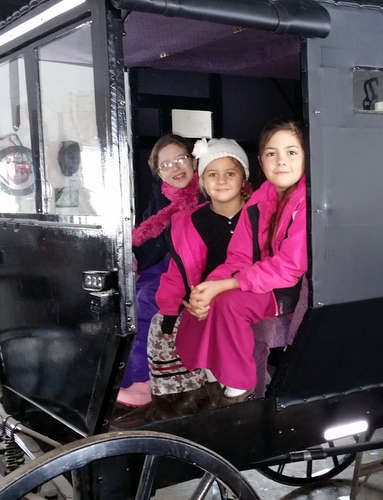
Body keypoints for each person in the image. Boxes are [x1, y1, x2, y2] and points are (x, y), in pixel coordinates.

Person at [176, 119, 308, 406]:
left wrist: (228, 285)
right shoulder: (261, 198)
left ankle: (239, 387)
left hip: (291, 289)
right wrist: (208, 287)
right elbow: (238, 256)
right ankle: (214, 373)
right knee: (199, 299)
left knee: (228, 304)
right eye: (272, 154)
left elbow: (289, 267)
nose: (281, 161)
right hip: (262, 279)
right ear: (260, 160)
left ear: (306, 156)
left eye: (292, 153)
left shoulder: (307, 200)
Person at [146, 137, 250, 420]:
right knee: (161, 323)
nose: (222, 181)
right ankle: (180, 394)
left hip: (242, 288)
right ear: (202, 181)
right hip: (200, 291)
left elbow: (248, 262)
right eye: (212, 175)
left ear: (244, 178)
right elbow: (178, 271)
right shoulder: (188, 221)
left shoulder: (257, 214)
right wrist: (170, 309)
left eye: (230, 173)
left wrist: (208, 292)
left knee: (216, 309)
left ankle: (222, 385)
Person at [119, 133, 200, 407]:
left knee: (146, 298)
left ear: (193, 160)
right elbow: (149, 236)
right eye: (165, 165)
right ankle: (123, 377)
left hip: (194, 265)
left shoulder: (209, 187)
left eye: (180, 159)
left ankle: (143, 383)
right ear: (158, 172)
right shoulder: (162, 195)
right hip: (167, 263)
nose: (175, 168)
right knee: (126, 293)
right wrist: (135, 262)